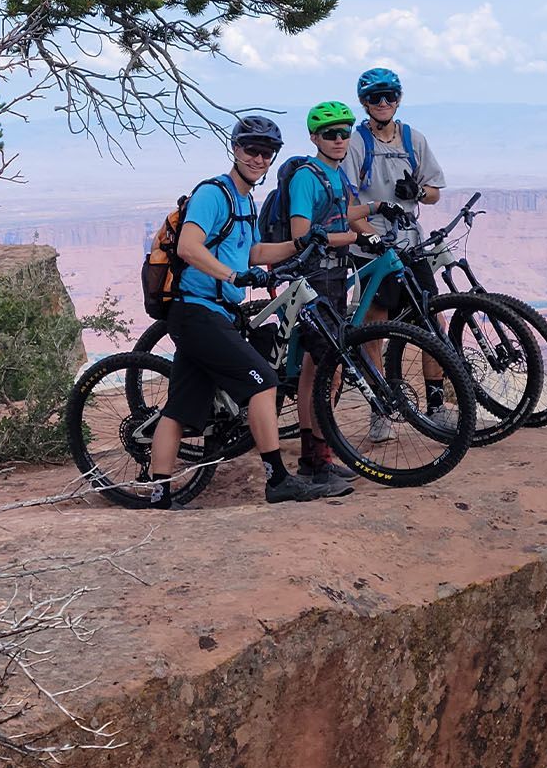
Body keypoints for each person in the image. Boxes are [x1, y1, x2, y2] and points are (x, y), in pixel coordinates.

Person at [146, 114, 349, 507]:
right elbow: (189, 247)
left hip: (211, 314)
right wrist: (233, 277)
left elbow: (253, 252)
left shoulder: (244, 199)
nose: (259, 159)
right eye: (251, 150)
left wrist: (303, 243)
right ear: (235, 149)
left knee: (180, 409)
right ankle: (277, 480)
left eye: (267, 153)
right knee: (263, 381)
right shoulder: (213, 194)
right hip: (196, 311)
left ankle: (159, 495)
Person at [341, 67, 449, 441]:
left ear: (399, 98)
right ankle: (380, 410)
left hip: (410, 243)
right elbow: (347, 201)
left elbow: (435, 191)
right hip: (371, 248)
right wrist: (368, 236)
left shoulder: (412, 138)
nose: (383, 103)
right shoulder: (356, 143)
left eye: (389, 96)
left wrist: (418, 193)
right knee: (375, 327)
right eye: (375, 98)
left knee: (431, 322)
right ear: (364, 103)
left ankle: (436, 405)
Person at [287, 100, 382, 486]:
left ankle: (316, 459)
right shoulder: (306, 177)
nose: (340, 140)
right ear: (314, 138)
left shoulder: (337, 174)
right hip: (314, 282)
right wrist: (355, 237)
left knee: (316, 368)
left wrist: (379, 208)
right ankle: (317, 460)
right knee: (326, 368)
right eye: (331, 134)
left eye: (345, 133)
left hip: (334, 279)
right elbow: (300, 235)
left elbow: (345, 215)